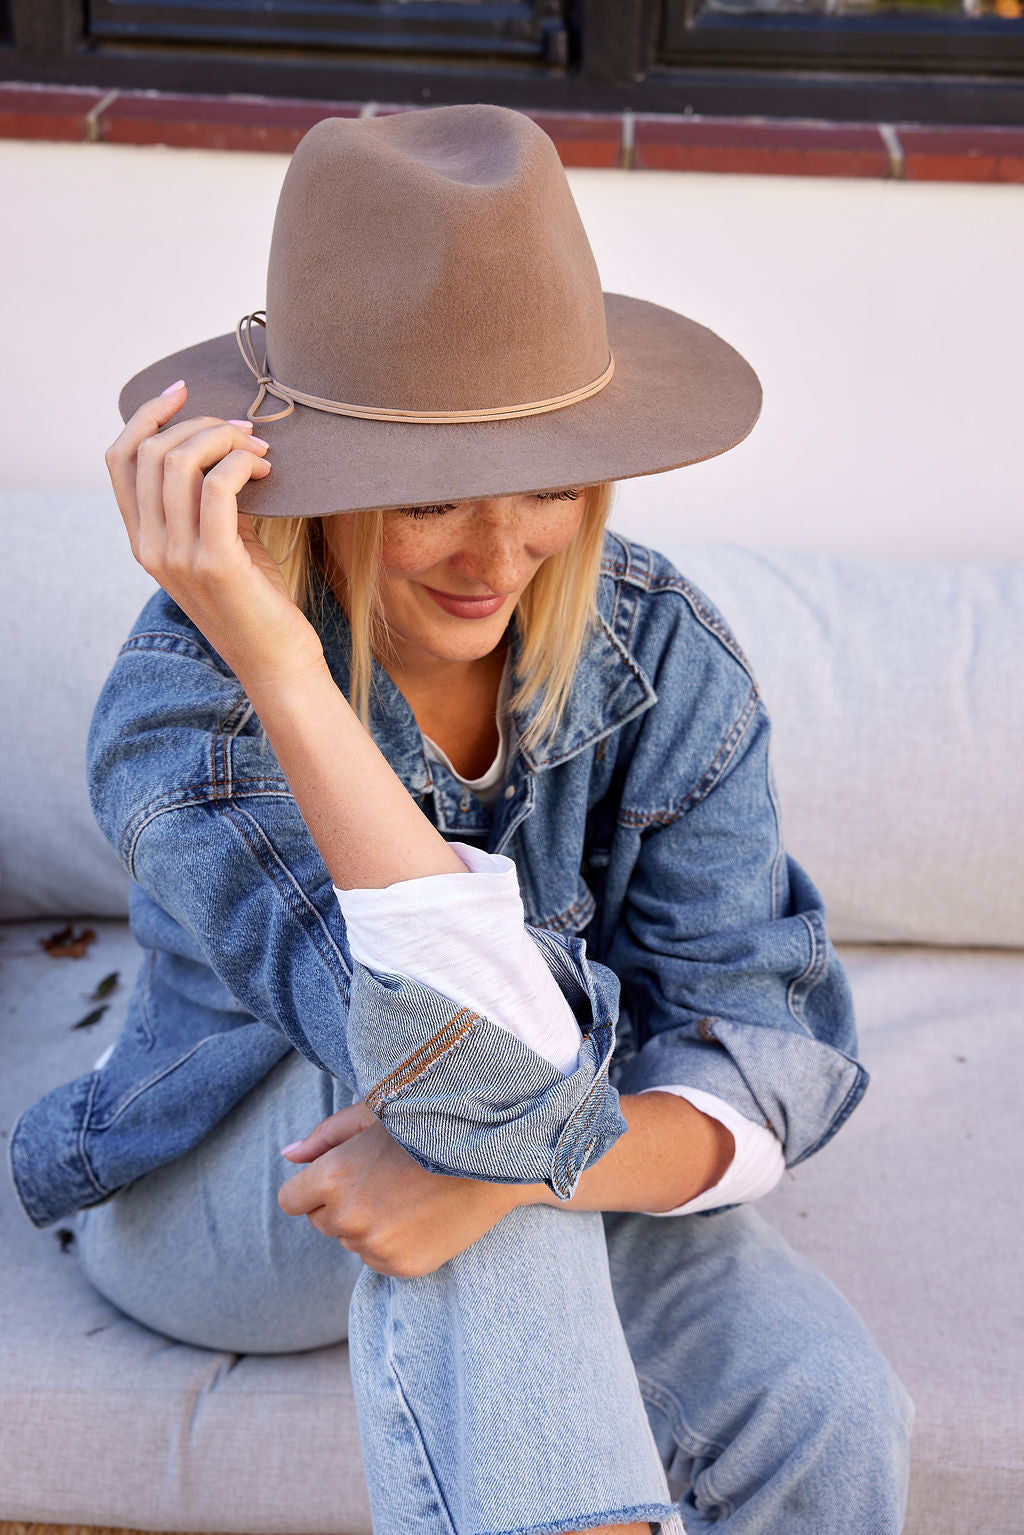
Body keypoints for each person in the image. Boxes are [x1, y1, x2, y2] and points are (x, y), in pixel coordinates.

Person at [10, 105, 912, 1534]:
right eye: (432, 495)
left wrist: (522, 1176)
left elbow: (765, 1045)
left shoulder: (662, 652)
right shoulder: (191, 699)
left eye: (550, 479)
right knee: (451, 1117)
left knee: (819, 1403)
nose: (502, 556)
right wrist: (288, 668)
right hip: (223, 1191)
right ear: (313, 473)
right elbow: (448, 1063)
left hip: (526, 1146)